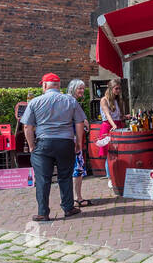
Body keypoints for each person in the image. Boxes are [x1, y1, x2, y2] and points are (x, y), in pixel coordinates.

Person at [20, 73, 87, 222]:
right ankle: (68, 208)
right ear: (59, 85)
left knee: (43, 179)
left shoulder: (35, 102)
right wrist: (78, 143)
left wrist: (32, 146)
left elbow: (27, 126)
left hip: (43, 143)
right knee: (65, 176)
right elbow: (80, 123)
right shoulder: (70, 101)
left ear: (44, 85)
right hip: (65, 142)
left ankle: (43, 212)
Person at [67, 79, 94, 208]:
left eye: (83, 88)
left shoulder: (68, 100)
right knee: (77, 169)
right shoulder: (71, 101)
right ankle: (77, 198)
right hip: (73, 140)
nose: (82, 91)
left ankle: (74, 198)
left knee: (73, 169)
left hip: (68, 139)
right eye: (80, 88)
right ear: (73, 88)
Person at [99, 79, 125, 191]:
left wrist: (125, 117)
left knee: (119, 153)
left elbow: (118, 116)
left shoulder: (117, 100)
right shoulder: (104, 100)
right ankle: (110, 178)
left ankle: (118, 176)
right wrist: (113, 125)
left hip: (117, 126)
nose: (118, 91)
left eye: (119, 88)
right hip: (108, 127)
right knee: (110, 154)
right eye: (116, 88)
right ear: (110, 88)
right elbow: (107, 115)